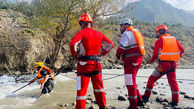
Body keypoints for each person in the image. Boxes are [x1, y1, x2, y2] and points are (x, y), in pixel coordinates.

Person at [69, 13, 114, 109]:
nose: (80, 26)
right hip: (97, 63)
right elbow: (110, 45)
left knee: (81, 91)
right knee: (99, 88)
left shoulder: (81, 33)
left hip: (84, 64)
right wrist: (102, 54)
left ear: (83, 23)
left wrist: (75, 55)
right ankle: (102, 106)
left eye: (80, 24)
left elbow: (72, 44)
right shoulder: (99, 34)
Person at [142, 24, 184, 107]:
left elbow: (154, 56)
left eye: (157, 33)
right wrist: (178, 55)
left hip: (163, 65)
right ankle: (175, 101)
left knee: (151, 79)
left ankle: (146, 97)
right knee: (173, 83)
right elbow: (182, 50)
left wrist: (150, 62)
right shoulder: (174, 39)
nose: (156, 34)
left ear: (159, 32)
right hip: (173, 64)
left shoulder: (159, 41)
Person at [116, 18, 146, 109]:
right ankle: (140, 101)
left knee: (129, 83)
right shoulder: (136, 32)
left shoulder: (126, 34)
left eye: (121, 26)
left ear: (125, 25)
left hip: (131, 61)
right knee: (132, 81)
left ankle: (133, 105)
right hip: (138, 60)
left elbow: (122, 47)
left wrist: (117, 54)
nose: (120, 28)